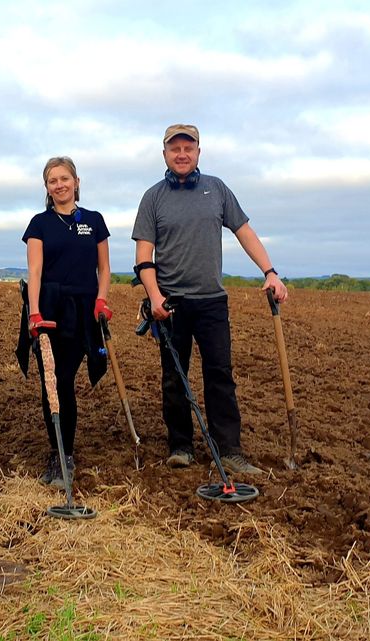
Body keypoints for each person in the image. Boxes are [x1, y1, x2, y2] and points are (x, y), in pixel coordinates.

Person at [132, 124, 288, 475]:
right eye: (175, 149)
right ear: (165, 155)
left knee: (220, 375)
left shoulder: (216, 190)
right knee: (175, 377)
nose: (182, 154)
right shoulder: (153, 197)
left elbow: (244, 232)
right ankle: (181, 445)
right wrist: (154, 296)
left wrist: (270, 271)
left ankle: (230, 450)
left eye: (188, 148)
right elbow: (143, 257)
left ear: (199, 152)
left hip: (212, 301)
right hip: (170, 304)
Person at [17, 156, 111, 486]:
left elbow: (105, 269)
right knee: (54, 382)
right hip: (51, 311)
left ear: (76, 182)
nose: (59, 185)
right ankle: (60, 454)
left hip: (84, 310)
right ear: (47, 188)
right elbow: (35, 272)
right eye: (52, 181)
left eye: (64, 178)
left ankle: (65, 452)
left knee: (66, 378)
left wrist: (101, 299)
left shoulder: (95, 221)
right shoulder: (39, 224)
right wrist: (34, 313)